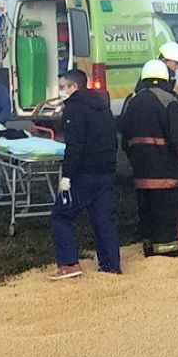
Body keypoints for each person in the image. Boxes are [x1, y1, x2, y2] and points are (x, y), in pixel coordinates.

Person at [119, 59, 178, 258]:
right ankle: (167, 253)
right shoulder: (167, 100)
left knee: (147, 213)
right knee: (166, 216)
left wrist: (135, 160)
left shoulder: (132, 101)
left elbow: (124, 139)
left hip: (141, 174)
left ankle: (149, 248)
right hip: (166, 174)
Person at [49, 69, 121, 280]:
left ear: (74, 87)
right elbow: (113, 138)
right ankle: (111, 264)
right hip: (106, 170)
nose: (61, 91)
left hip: (85, 173)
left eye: (63, 87)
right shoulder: (102, 105)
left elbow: (75, 145)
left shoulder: (74, 109)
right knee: (103, 219)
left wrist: (67, 176)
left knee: (61, 215)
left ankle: (68, 263)